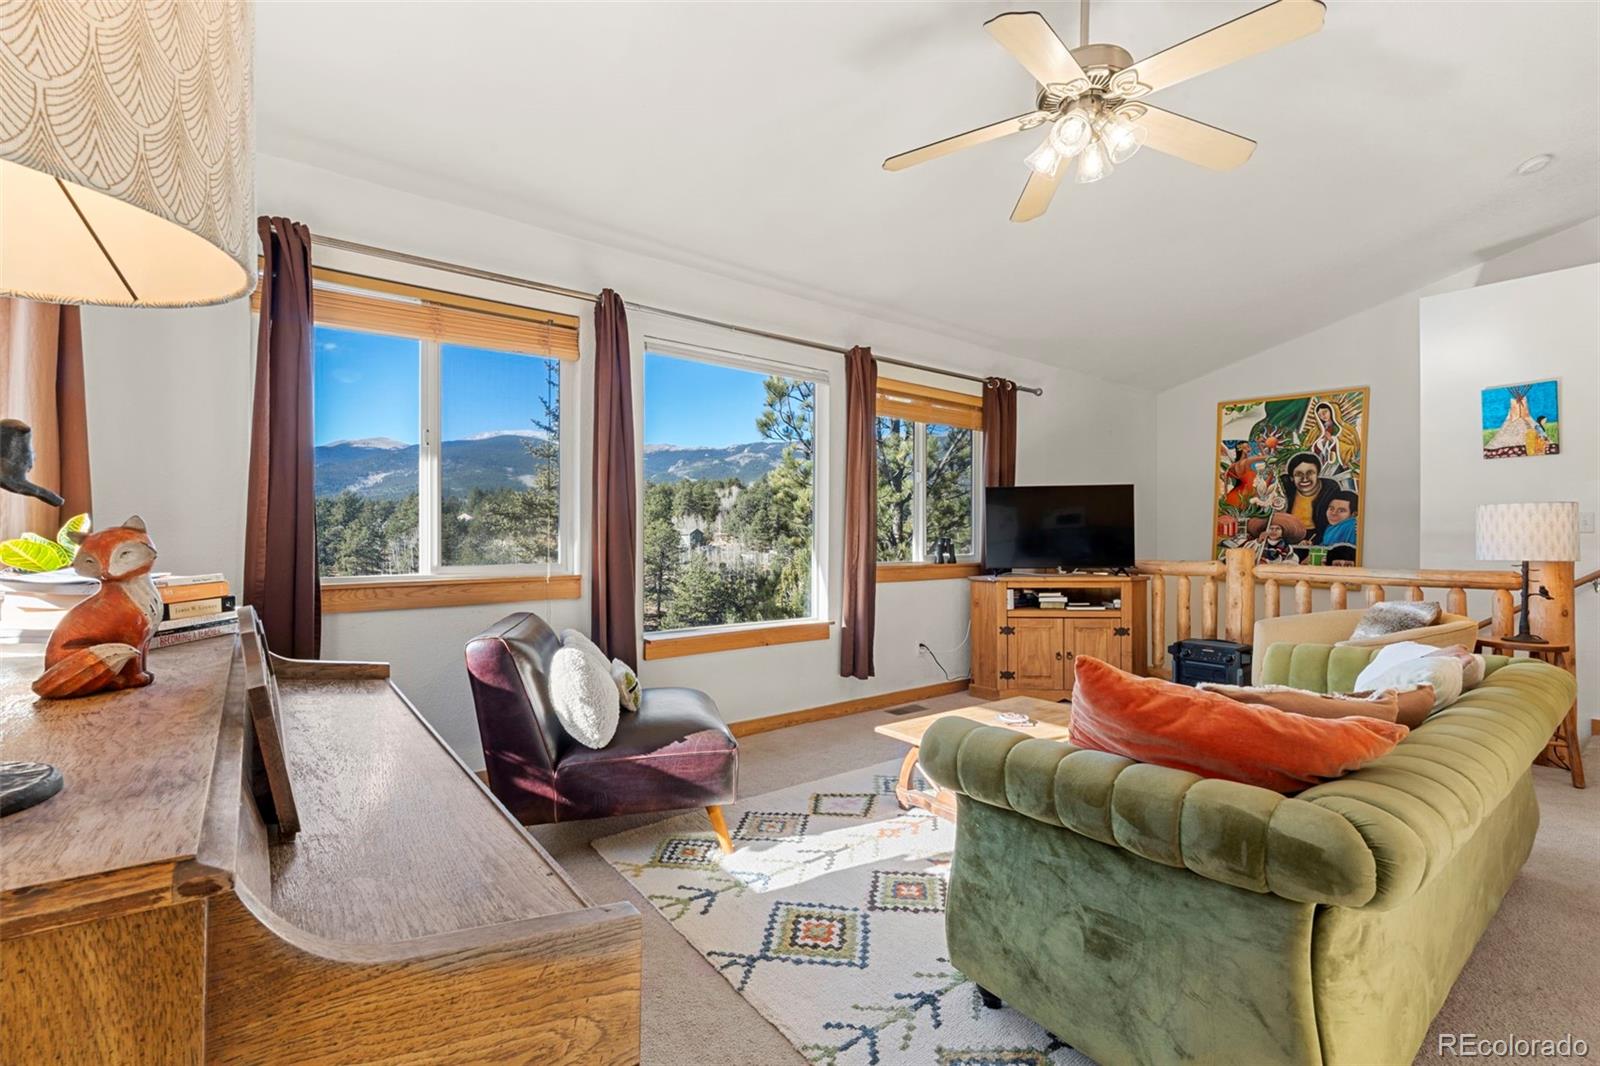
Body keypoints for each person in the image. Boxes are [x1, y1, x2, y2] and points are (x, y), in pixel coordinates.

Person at [1283, 451, 1342, 544]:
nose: (1305, 478)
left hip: (1319, 537)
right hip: (1289, 537)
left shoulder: (1331, 490)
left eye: (1310, 473)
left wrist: (1315, 541)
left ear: (1318, 474)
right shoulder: (1284, 489)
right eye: (1299, 474)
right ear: (1291, 478)